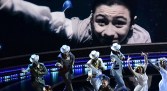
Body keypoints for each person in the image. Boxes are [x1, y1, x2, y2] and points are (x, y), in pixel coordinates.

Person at [0, 0, 151, 47]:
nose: (109, 33)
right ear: (91, 18)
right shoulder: (80, 30)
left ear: (132, 23)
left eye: (119, 24)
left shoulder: (141, 39)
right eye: (101, 22)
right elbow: (46, 19)